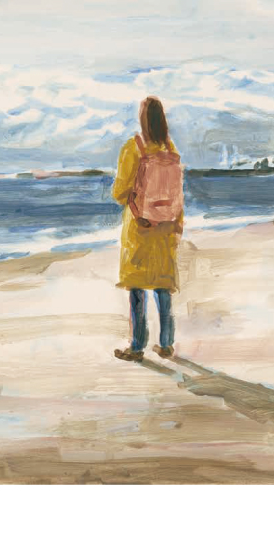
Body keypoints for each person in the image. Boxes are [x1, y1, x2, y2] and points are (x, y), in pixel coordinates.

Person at [111, 96, 184, 362]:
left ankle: (137, 346)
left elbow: (120, 192)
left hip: (140, 228)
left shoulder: (134, 148)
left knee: (137, 289)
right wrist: (177, 224)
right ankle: (166, 344)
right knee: (163, 288)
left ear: (142, 119)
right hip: (165, 228)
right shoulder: (170, 148)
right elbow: (177, 192)